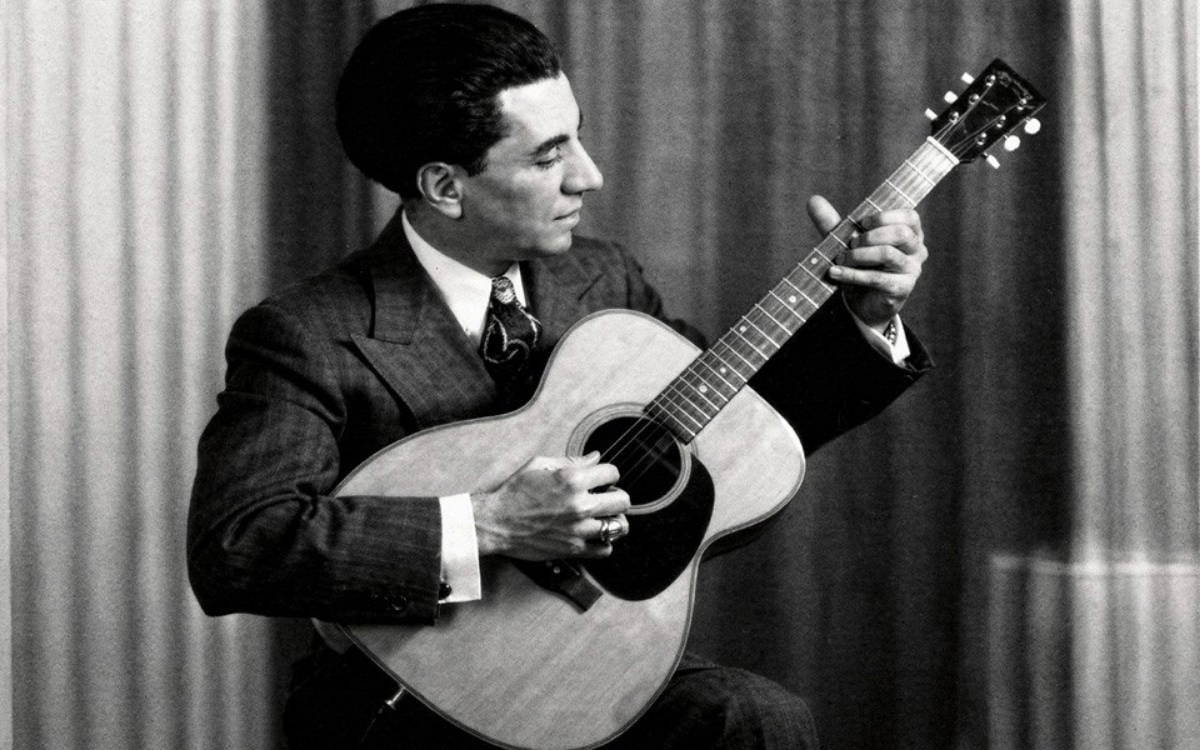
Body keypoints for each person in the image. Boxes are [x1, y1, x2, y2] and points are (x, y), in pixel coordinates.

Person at [187, 4, 932, 748]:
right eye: (548, 157)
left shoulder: (601, 279)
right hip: (407, 698)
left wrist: (863, 317)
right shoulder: (308, 332)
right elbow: (238, 546)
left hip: (587, 660)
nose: (589, 176)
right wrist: (491, 521)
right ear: (445, 186)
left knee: (757, 721)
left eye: (577, 135)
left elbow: (733, 427)